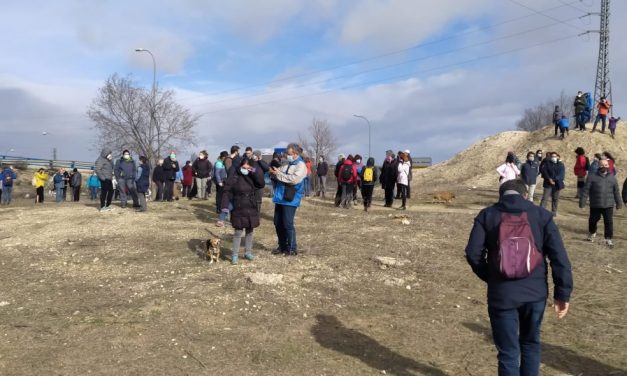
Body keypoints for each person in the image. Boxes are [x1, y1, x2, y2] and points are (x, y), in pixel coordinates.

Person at [465, 179, 573, 376]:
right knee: (531, 344)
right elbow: (559, 258)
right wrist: (562, 294)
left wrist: (491, 277)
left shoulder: (487, 215)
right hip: (535, 294)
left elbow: (473, 253)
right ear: (525, 195)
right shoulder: (541, 215)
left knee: (508, 352)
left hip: (502, 295)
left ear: (501, 196)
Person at [221, 158, 265, 264]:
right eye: (243, 165)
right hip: (238, 206)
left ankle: (248, 252)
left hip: (251, 205)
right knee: (238, 232)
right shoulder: (235, 176)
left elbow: (261, 183)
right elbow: (226, 191)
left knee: (250, 231)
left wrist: (253, 170)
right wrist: (225, 206)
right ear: (240, 166)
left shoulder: (252, 176)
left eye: (247, 165)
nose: (245, 167)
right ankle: (235, 255)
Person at [269, 143, 307, 256]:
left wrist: (279, 175)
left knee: (288, 223)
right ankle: (282, 246)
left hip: (291, 198)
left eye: (289, 153)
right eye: (287, 153)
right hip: (280, 197)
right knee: (277, 222)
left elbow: (294, 179)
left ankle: (292, 248)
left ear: (295, 154)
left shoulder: (301, 165)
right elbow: (279, 173)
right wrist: (273, 173)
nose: (287, 155)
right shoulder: (286, 164)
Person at [580, 158, 622, 248]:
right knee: (592, 221)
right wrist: (582, 202)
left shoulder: (612, 178)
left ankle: (608, 238)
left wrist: (619, 203)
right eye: (602, 165)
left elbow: (616, 191)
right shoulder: (592, 177)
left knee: (609, 222)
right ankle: (592, 232)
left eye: (606, 165)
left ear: (608, 166)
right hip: (595, 204)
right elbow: (586, 190)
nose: (604, 167)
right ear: (598, 166)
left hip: (609, 205)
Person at [540, 152, 565, 217]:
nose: (554, 157)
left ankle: (554, 212)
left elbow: (562, 175)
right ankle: (541, 211)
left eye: (555, 156)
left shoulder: (561, 165)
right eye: (552, 156)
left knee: (555, 199)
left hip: (557, 184)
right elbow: (544, 172)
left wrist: (555, 179)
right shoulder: (547, 164)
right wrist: (549, 179)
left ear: (557, 157)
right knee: (545, 198)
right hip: (548, 184)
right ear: (550, 157)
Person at [214, 151, 229, 227]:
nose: (225, 158)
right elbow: (217, 173)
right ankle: (219, 208)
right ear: (222, 157)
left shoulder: (225, 162)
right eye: (224, 157)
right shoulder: (219, 163)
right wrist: (219, 181)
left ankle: (222, 208)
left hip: (225, 181)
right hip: (220, 182)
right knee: (220, 195)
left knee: (224, 196)